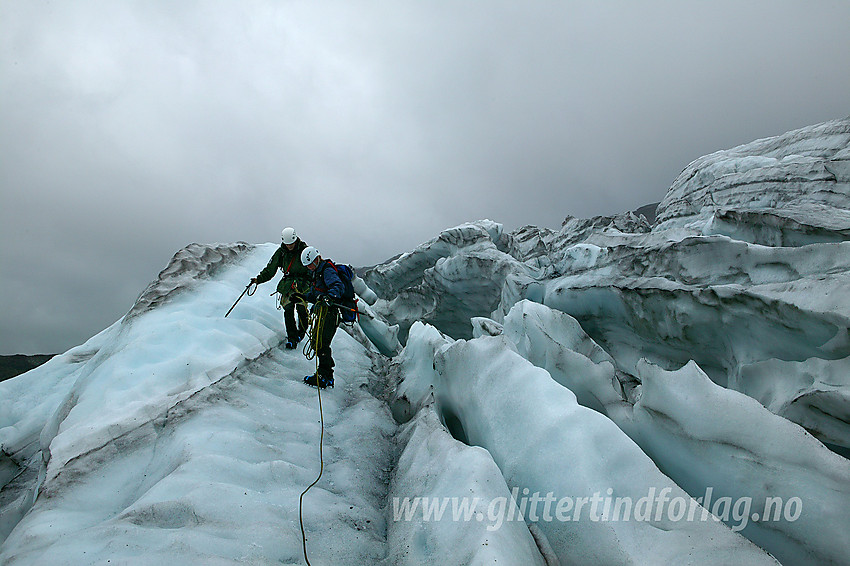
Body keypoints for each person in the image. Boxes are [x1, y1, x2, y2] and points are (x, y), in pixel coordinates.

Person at [251, 227, 310, 349]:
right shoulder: (281, 252)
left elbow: (312, 266)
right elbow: (270, 269)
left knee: (301, 310)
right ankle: (292, 338)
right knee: (288, 310)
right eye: (287, 244)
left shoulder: (304, 250)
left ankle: (301, 334)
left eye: (291, 244)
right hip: (288, 285)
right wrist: (258, 279)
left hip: (302, 284)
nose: (290, 246)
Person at [300, 246, 343, 389]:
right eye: (308, 266)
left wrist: (330, 297)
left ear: (317, 259)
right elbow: (316, 295)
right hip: (324, 312)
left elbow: (337, 286)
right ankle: (326, 375)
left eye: (311, 264)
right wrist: (302, 297)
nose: (310, 267)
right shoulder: (317, 273)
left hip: (330, 313)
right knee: (318, 342)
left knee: (321, 343)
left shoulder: (326, 270)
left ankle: (324, 376)